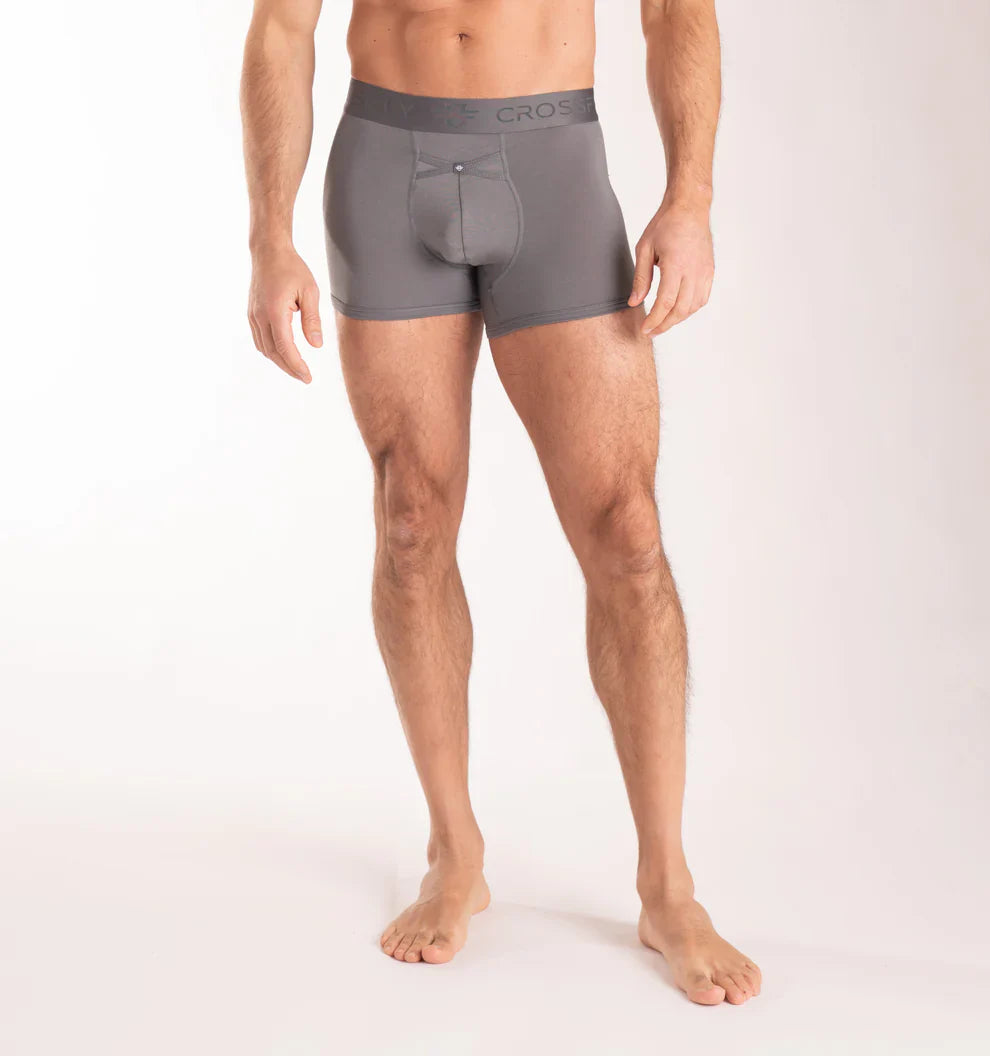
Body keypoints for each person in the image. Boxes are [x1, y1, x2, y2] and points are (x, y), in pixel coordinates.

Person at [240, 0, 762, 1006]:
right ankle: (454, 851)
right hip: (385, 157)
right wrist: (270, 235)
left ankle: (668, 887)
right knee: (410, 520)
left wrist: (689, 197)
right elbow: (280, 27)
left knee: (627, 532)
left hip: (552, 162)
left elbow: (674, 11)